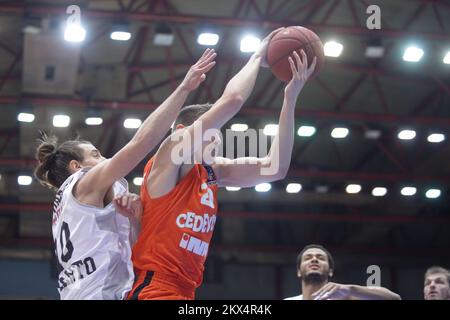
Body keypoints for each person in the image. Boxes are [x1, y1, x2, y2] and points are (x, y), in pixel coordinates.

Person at [127, 28, 318, 300]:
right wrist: (258, 56)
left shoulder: (213, 173)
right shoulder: (171, 155)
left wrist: (290, 99)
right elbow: (232, 101)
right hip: (155, 289)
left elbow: (276, 168)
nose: (217, 141)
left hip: (185, 291)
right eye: (213, 133)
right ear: (182, 130)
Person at [33, 48, 217, 299]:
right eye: (96, 154)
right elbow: (141, 143)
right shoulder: (85, 181)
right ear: (77, 166)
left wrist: (133, 218)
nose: (105, 159)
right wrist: (184, 88)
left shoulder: (72, 205)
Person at [284, 244, 401, 300]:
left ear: (330, 271)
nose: (314, 259)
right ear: (299, 271)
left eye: (320, 258)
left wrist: (351, 289)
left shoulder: (346, 297)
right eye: (308, 257)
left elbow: (394, 298)